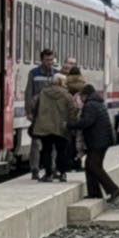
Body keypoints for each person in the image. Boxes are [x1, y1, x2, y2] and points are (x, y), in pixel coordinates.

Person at [70, 84, 119, 201]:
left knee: (93, 165)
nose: (81, 99)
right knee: (90, 166)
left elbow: (87, 122)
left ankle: (113, 189)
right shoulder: (97, 102)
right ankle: (94, 192)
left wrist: (70, 125)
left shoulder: (90, 105)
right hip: (101, 140)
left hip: (97, 140)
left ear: (85, 95)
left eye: (81, 96)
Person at [31, 70, 78, 181]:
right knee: (61, 151)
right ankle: (62, 173)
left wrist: (37, 118)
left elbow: (35, 107)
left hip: (44, 126)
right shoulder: (67, 95)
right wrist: (71, 123)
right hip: (61, 126)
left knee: (46, 150)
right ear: (61, 82)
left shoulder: (43, 93)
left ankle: (48, 174)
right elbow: (72, 111)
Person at [26, 49, 59, 179]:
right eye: (47, 60)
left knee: (53, 142)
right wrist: (29, 111)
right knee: (36, 142)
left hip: (53, 113)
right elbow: (29, 93)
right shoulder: (34, 73)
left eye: (51, 60)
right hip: (38, 112)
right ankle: (34, 169)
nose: (49, 62)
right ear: (41, 60)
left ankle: (52, 168)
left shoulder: (57, 74)